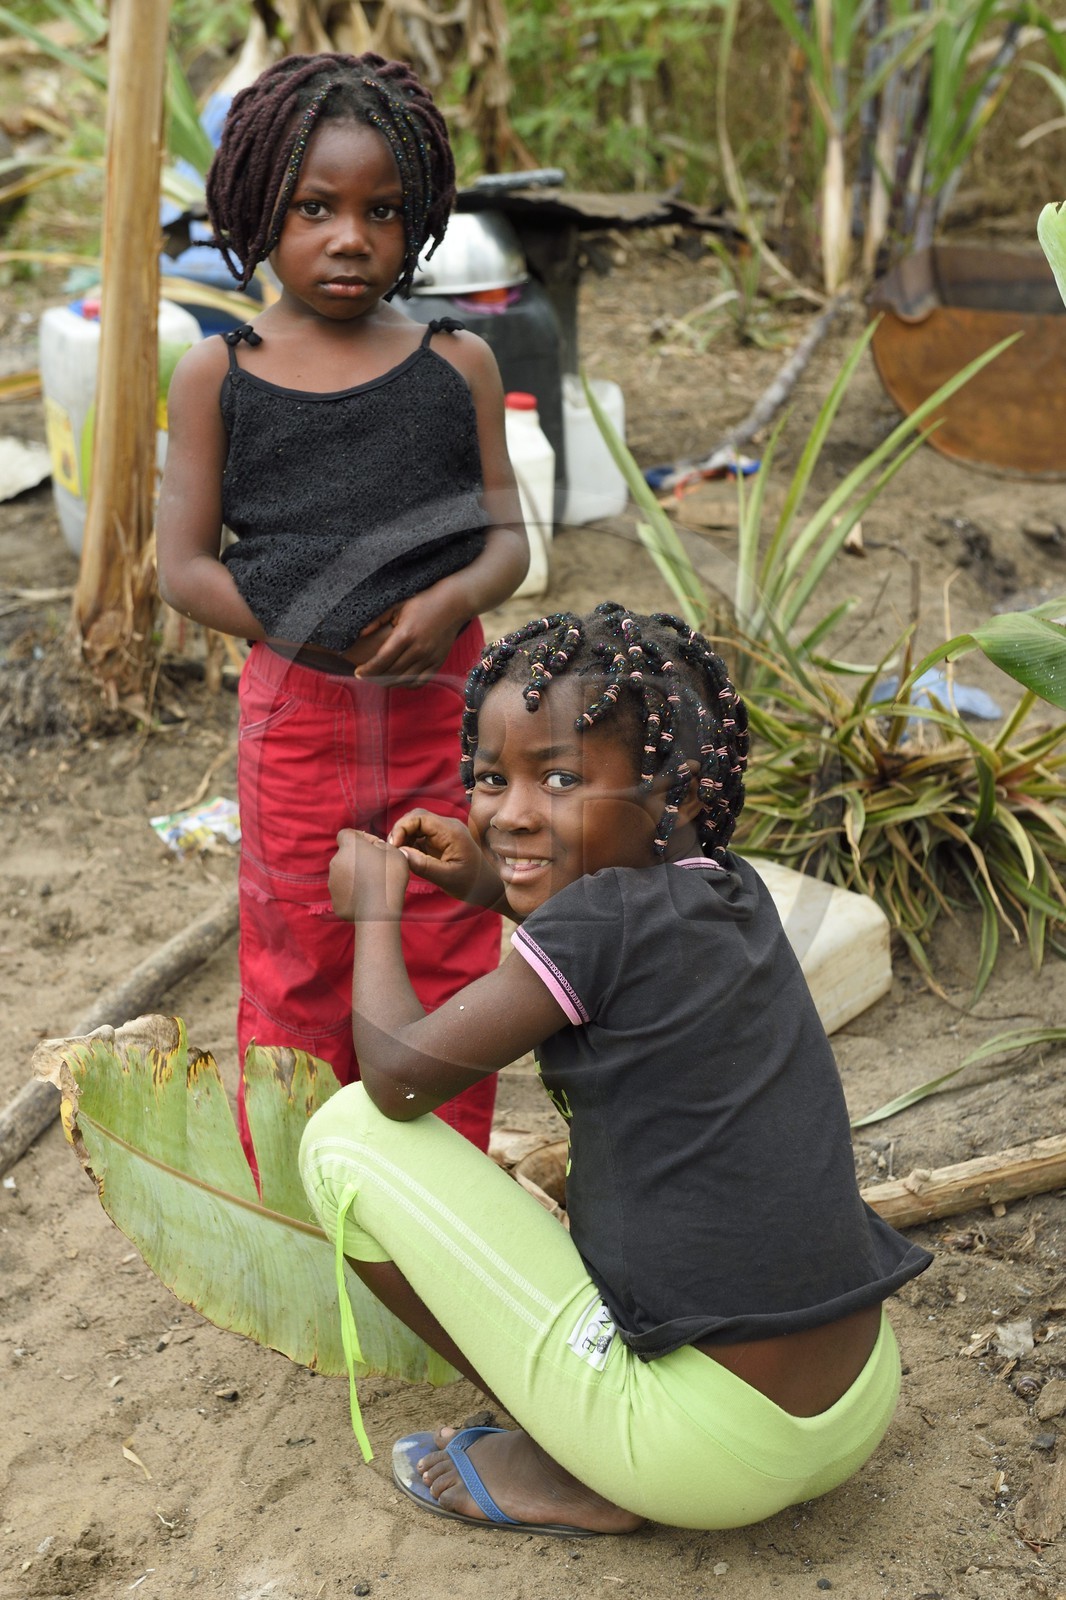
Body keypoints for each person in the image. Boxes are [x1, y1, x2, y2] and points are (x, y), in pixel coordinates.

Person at [298, 603, 933, 1535]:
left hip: (701, 1452)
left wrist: (374, 914)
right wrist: (486, 877)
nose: (509, 813)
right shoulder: (727, 887)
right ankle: (612, 1435)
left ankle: (580, 1464)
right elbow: (599, 932)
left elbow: (397, 1076)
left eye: (557, 778)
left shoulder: (598, 928)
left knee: (343, 1137)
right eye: (488, 778)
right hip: (853, 1404)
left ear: (668, 799)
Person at [155, 54, 528, 1163]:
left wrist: (450, 599)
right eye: (315, 208)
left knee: (450, 934)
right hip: (298, 721)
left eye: (381, 210)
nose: (349, 236)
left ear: (416, 223)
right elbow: (183, 567)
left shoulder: (455, 363)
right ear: (259, 207)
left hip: (445, 710)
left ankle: (443, 1195)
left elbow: (509, 544)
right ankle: (304, 1190)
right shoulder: (217, 376)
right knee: (300, 946)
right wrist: (292, 621)